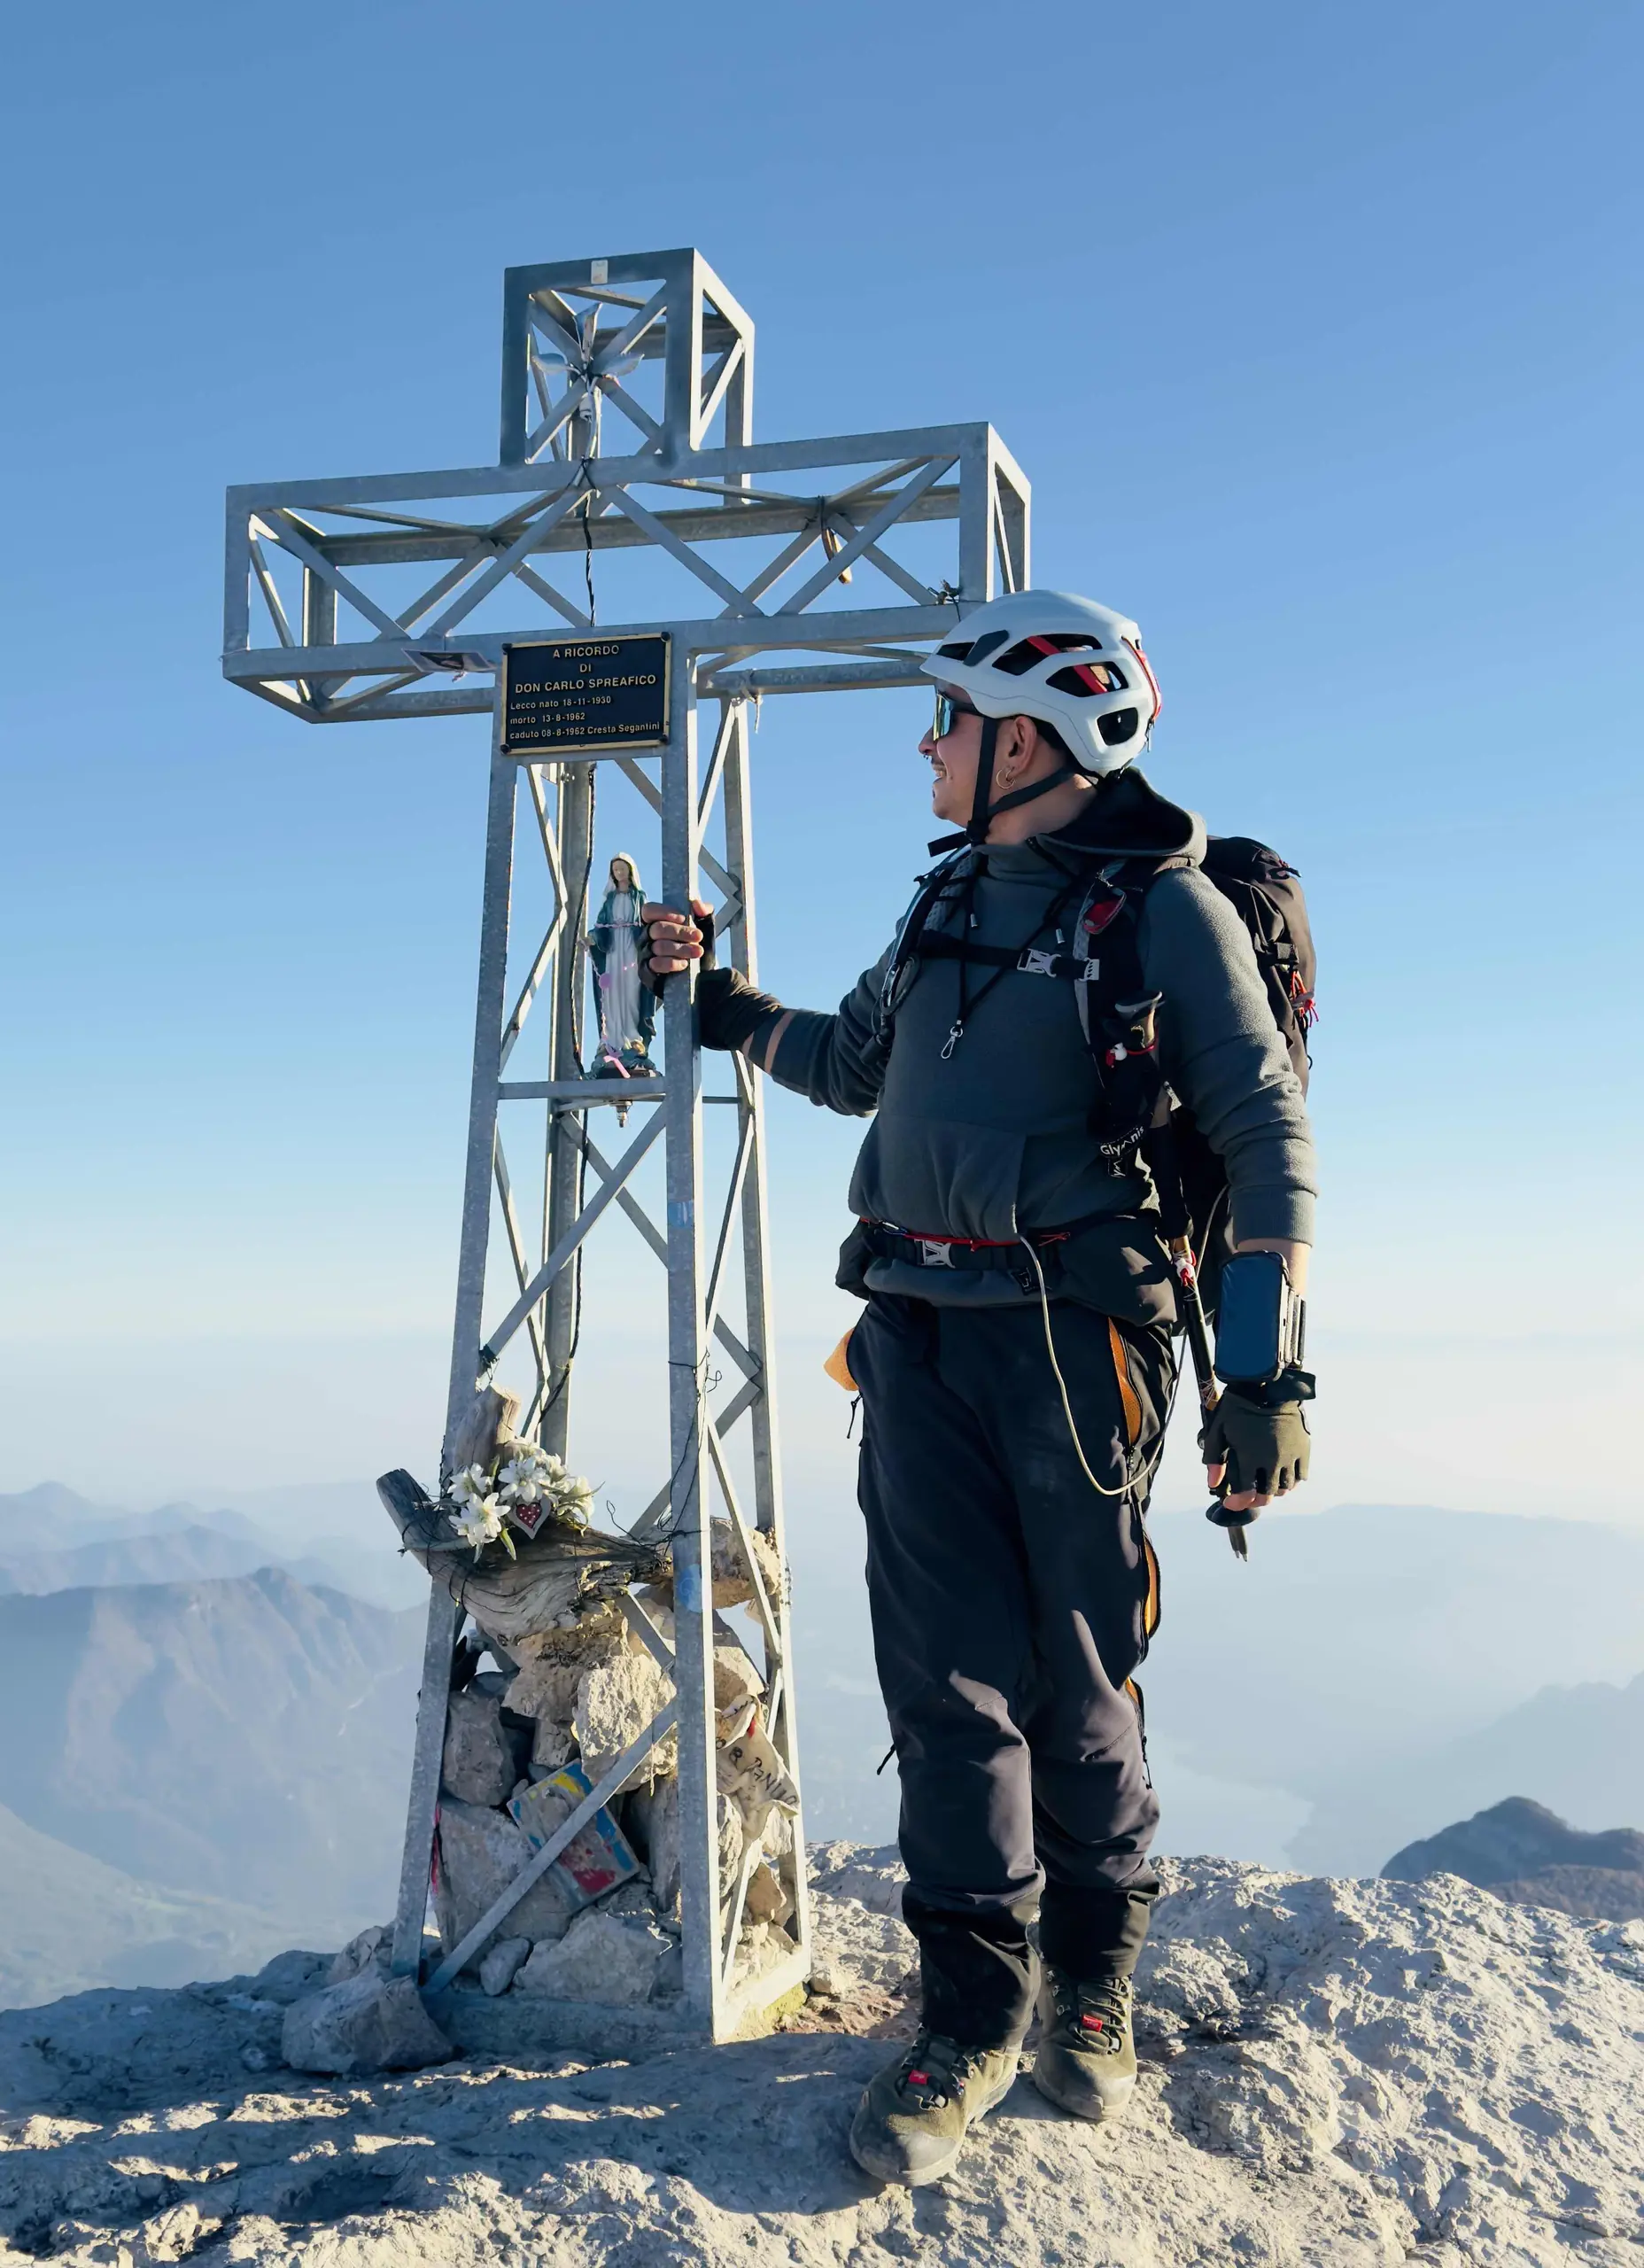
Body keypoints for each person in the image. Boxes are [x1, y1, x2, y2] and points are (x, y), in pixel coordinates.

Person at [643, 591, 1316, 2186]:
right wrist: (724, 1004)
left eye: (947, 719)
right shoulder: (949, 897)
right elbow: (858, 1067)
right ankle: (969, 2017)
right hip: (917, 1328)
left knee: (1078, 1672)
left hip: (1077, 1344)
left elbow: (1265, 1137)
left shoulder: (1164, 913)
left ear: (1027, 740)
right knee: (942, 1683)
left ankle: (1091, 1985)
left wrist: (1262, 1375)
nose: (927, 746)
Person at [588, 853, 659, 1078]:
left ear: (630, 870)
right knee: (612, 994)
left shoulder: (639, 897)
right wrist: (593, 938)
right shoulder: (609, 900)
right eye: (616, 869)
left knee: (631, 992)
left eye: (622, 869)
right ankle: (612, 1039)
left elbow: (646, 923)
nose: (619, 873)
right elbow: (600, 927)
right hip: (613, 950)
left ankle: (633, 1038)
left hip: (632, 949)